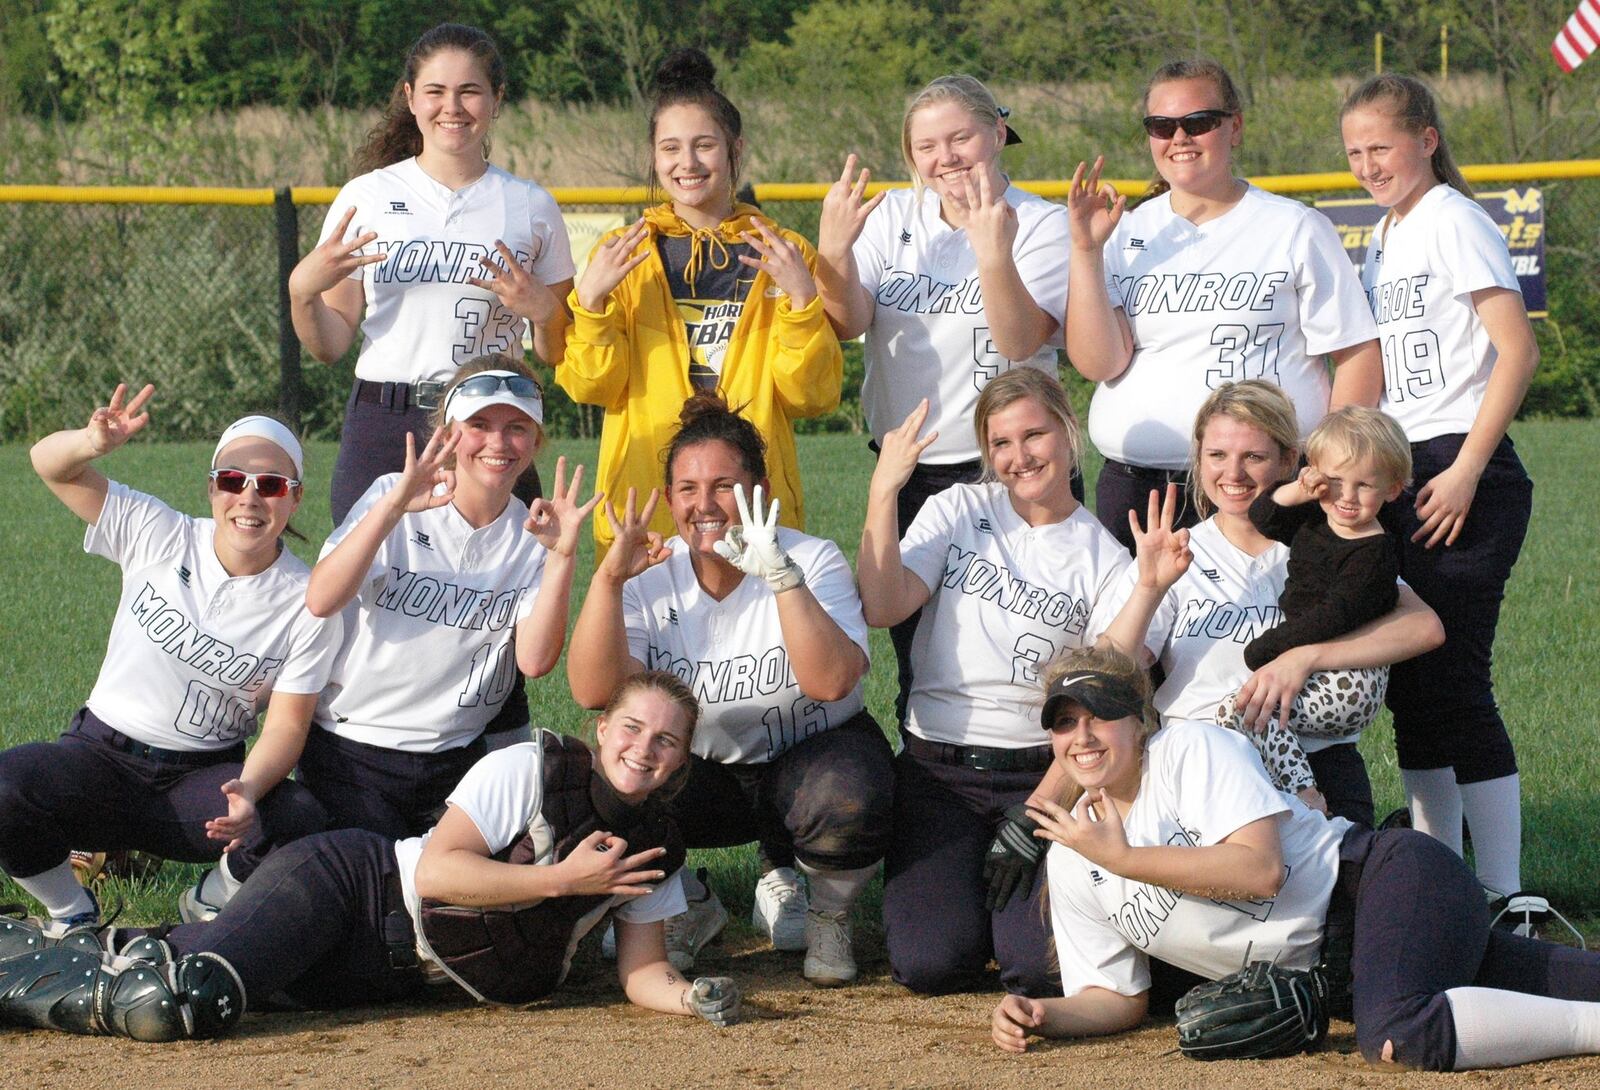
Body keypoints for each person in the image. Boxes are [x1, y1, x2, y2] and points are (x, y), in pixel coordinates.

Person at [0, 673, 743, 1042]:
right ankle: (21, 972)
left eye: (666, 741)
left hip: (384, 975)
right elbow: (437, 873)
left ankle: (35, 952)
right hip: (355, 888)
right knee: (190, 1001)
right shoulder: (533, 770)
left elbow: (641, 969)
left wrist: (688, 997)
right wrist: (562, 879)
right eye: (632, 727)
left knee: (168, 971)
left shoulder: (656, 851)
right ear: (602, 724)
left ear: (679, 764)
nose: (642, 748)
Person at [990, 645, 1600, 1073]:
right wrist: (1045, 1013)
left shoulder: (1190, 750)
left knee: (1400, 1033)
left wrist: (1123, 860)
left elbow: (1259, 870)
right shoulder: (1073, 856)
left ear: (1140, 720)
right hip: (1362, 959)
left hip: (1386, 882)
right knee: (1555, 979)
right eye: (1065, 724)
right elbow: (1115, 997)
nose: (1084, 736)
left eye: (1102, 716)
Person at [290, 22, 574, 750]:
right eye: (437, 91)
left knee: (498, 591)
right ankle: (343, 748)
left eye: (471, 91)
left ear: (498, 100)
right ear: (410, 99)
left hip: (490, 426)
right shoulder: (367, 194)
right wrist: (301, 293)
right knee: (359, 592)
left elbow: (559, 347)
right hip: (389, 416)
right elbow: (329, 342)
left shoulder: (529, 205)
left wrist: (544, 310)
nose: (454, 107)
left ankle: (504, 763)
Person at [568, 393, 892, 987]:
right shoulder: (650, 579)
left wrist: (781, 578)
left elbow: (831, 681)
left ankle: (827, 910)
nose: (704, 504)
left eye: (724, 486)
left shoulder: (810, 557)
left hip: (808, 761)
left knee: (851, 789)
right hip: (704, 777)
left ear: (761, 491)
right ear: (669, 500)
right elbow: (594, 692)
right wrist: (610, 579)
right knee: (603, 770)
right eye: (687, 489)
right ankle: (684, 902)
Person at [1, 386, 339, 932]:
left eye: (271, 485)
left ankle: (207, 900)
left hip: (200, 783)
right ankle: (71, 912)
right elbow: (49, 464)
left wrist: (249, 790)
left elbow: (287, 724)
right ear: (212, 489)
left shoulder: (310, 599)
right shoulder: (161, 533)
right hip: (100, 758)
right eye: (233, 480)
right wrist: (90, 442)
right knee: (7, 789)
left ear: (295, 498)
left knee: (298, 817)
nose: (249, 498)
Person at [1341, 74, 1542, 921]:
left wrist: (1464, 468)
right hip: (1406, 465)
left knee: (1455, 678)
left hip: (1465, 467)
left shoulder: (1455, 220)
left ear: (1426, 138)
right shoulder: (1386, 234)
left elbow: (1517, 349)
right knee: (1412, 682)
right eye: (1353, 153)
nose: (1366, 165)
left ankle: (1507, 893)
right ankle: (1437, 879)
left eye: (1380, 146)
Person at [857, 369, 1128, 996]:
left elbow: (1099, 701)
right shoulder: (956, 509)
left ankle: (1003, 917)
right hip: (939, 773)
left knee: (1036, 972)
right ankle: (965, 904)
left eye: (1033, 434)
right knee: (930, 963)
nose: (1018, 456)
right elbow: (882, 604)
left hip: (1036, 774)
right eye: (1000, 443)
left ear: (1067, 431)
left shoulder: (1103, 556)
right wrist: (882, 492)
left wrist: (1043, 806)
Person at [815, 73, 1073, 722]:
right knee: (924, 659)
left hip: (1012, 471)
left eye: (961, 137)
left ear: (998, 132)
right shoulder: (896, 217)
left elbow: (1021, 337)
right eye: (927, 145)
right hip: (908, 470)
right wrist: (834, 253)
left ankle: (1040, 803)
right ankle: (932, 796)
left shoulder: (1043, 223)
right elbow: (848, 320)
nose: (946, 157)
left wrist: (992, 250)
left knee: (1029, 653)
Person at [1065, 57, 1382, 553]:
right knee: (1135, 628)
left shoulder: (1293, 226)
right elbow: (1098, 362)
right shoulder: (1126, 229)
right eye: (1161, 125)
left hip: (1262, 484)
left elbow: (1357, 353)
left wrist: (1332, 464)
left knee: (1266, 627)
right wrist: (1085, 251)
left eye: (1199, 123)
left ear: (1234, 127)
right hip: (1140, 484)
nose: (1179, 138)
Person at [1098, 381, 1444, 826]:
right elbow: (1109, 671)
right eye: (1217, 455)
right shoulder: (1179, 551)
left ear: (1289, 461)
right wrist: (1149, 587)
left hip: (1318, 762)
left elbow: (1424, 627)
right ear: (1199, 458)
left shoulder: (1329, 537)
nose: (1234, 474)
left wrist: (1305, 658)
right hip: (1202, 765)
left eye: (1254, 457)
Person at [294, 357, 590, 855]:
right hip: (354, 751)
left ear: (536, 441)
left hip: (457, 759)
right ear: (448, 432)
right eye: (479, 425)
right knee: (374, 892)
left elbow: (535, 663)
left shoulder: (534, 533)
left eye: (517, 428)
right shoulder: (393, 496)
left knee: (487, 892)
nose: (497, 443)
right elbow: (321, 598)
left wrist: (560, 556)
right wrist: (391, 510)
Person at [557, 47, 842, 558]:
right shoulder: (624, 254)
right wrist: (593, 304)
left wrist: (802, 301)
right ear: (654, 156)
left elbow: (810, 396)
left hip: (750, 501)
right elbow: (590, 387)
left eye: (704, 145)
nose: (686, 163)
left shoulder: (784, 252)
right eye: (670, 148)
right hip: (646, 504)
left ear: (736, 148)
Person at [1212, 407, 1409, 793]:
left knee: (1243, 711)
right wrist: (1297, 491)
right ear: (1315, 473)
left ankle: (1304, 792)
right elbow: (1265, 516)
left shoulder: (1374, 553)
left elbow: (1333, 616)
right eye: (1334, 480)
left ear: (1392, 489)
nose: (1346, 497)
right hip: (1323, 659)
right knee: (1253, 711)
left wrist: (1269, 650)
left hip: (1353, 678)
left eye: (1364, 486)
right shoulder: (1317, 521)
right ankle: (1288, 790)